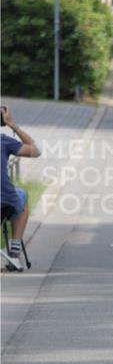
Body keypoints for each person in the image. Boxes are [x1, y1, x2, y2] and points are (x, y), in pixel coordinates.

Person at [1, 106, 41, 270]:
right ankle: (15, 252)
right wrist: (13, 125)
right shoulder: (3, 140)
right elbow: (35, 151)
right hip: (3, 204)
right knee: (21, 195)